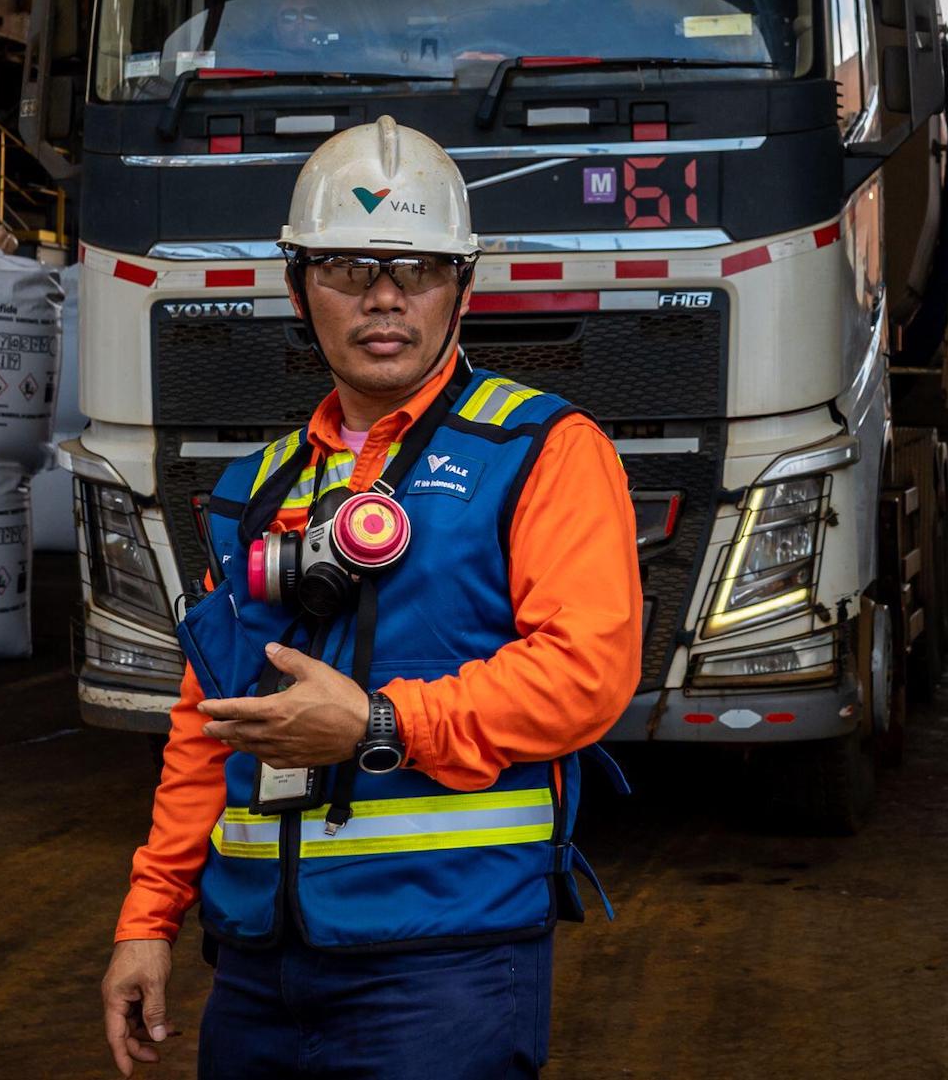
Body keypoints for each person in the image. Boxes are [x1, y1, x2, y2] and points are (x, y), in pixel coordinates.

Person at [101, 116, 643, 1078]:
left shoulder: (541, 451)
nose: (385, 299)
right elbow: (205, 718)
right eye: (350, 268)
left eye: (418, 269)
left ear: (462, 289)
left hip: (446, 965)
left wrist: (377, 723)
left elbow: (587, 675)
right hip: (258, 967)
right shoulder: (257, 487)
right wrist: (150, 915)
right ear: (299, 285)